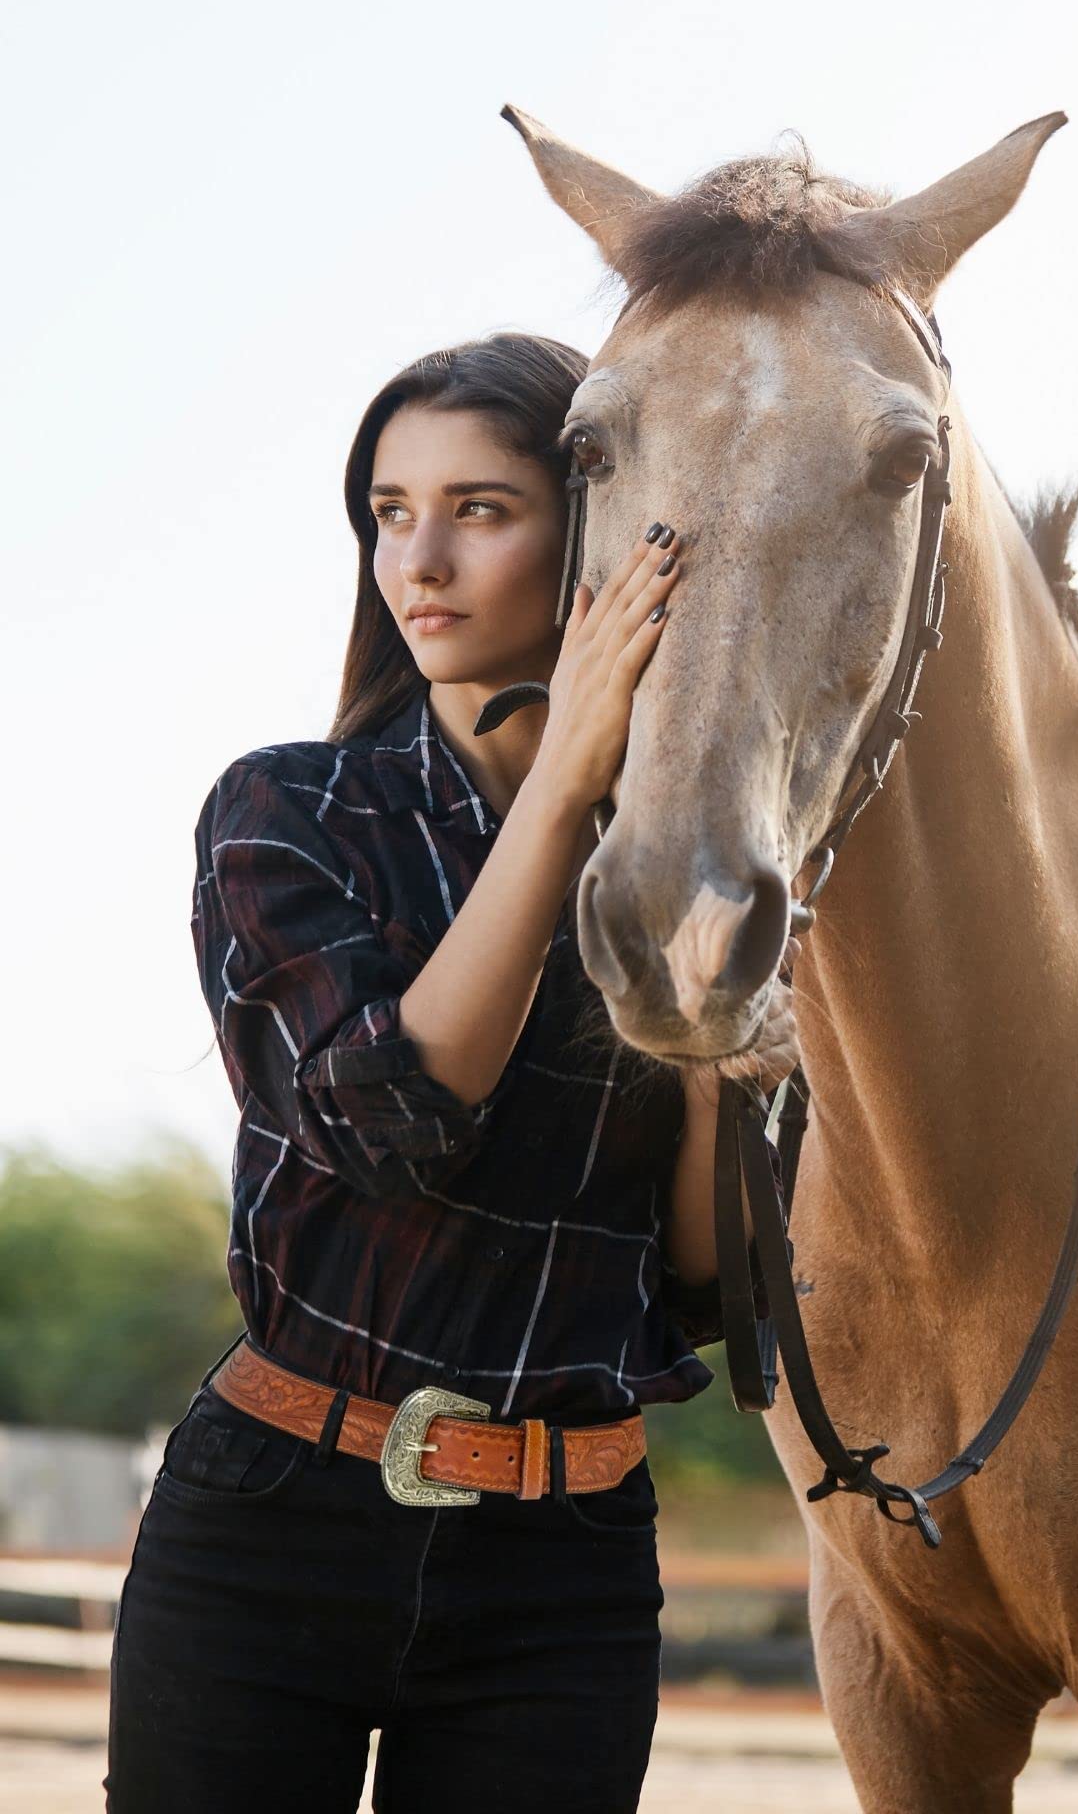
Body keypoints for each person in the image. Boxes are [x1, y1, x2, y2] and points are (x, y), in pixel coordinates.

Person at [107, 332, 760, 1814]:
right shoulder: (286, 814)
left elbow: (706, 1283)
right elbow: (393, 1114)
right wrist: (574, 782)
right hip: (275, 1520)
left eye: (480, 507)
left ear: (596, 536)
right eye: (391, 511)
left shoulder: (699, 862)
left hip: (566, 1563)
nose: (424, 558)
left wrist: (721, 998)